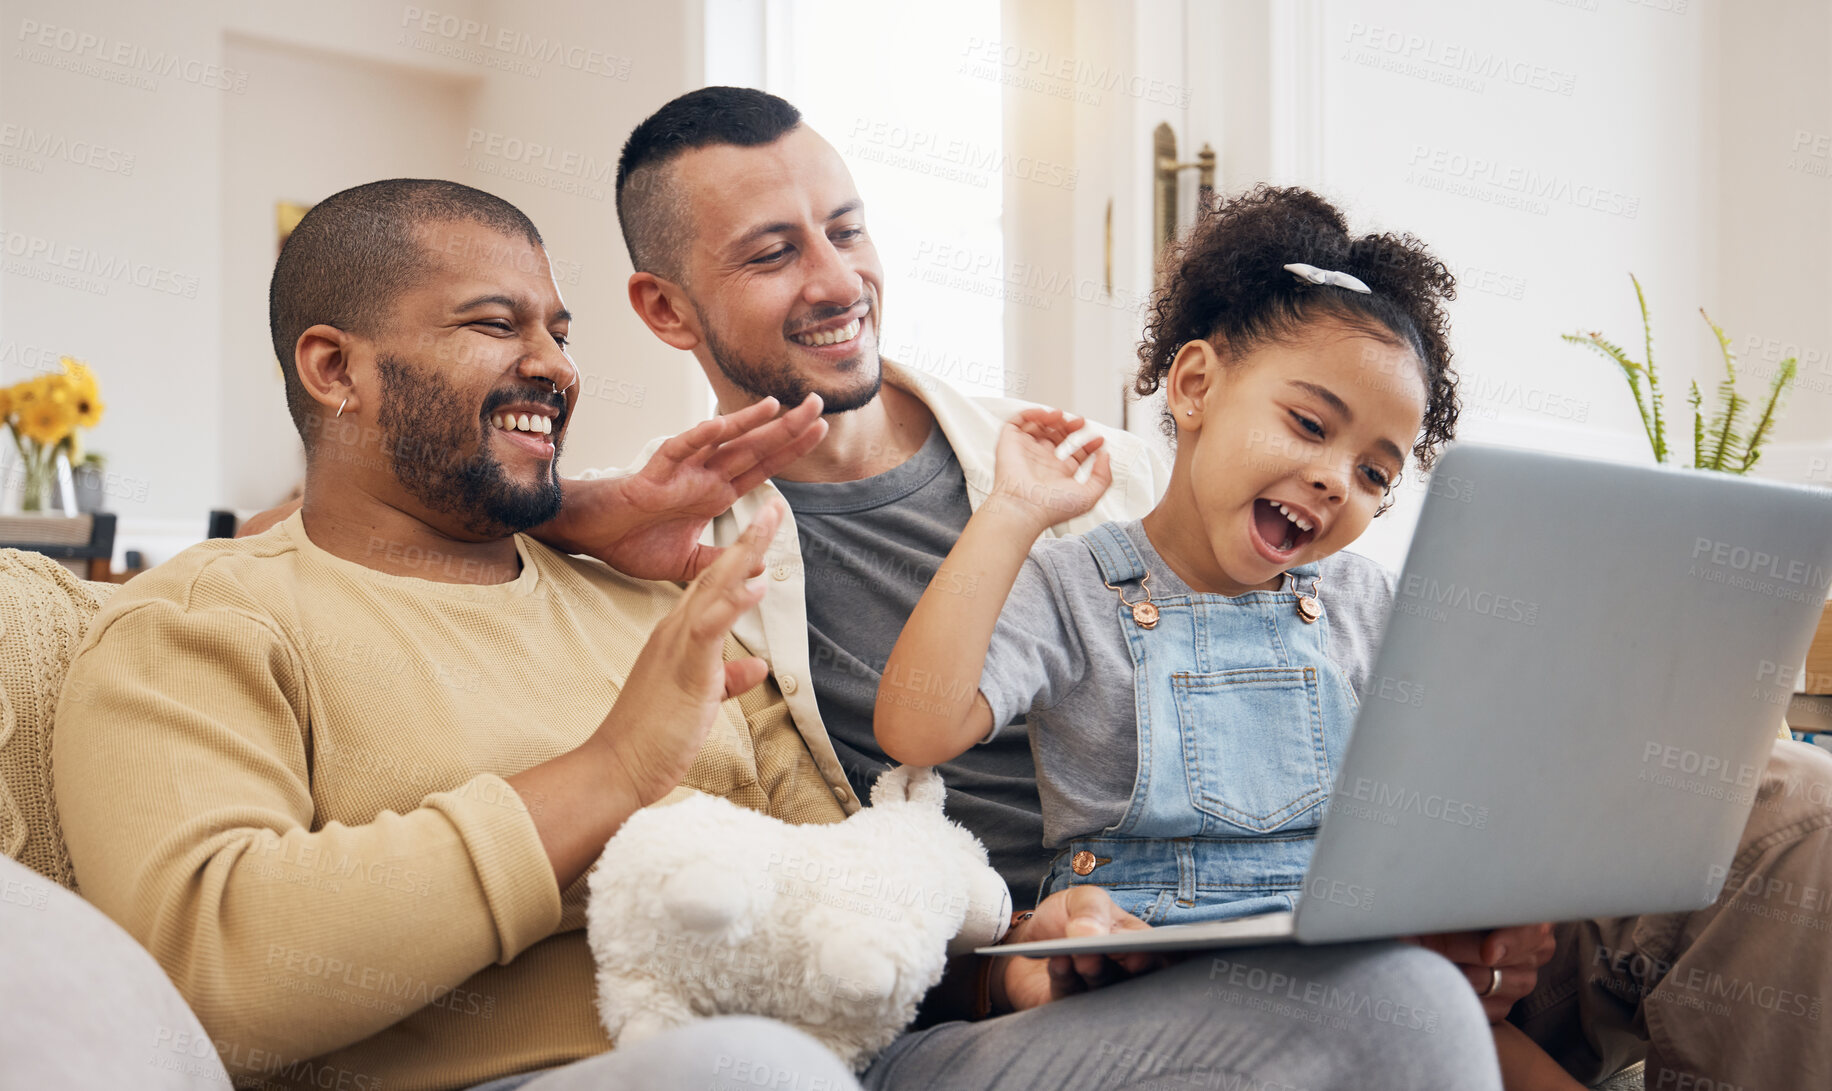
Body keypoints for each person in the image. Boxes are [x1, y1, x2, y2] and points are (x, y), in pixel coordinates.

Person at [58, 177, 1499, 1091]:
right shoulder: (203, 621)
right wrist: (614, 766)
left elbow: (854, 868)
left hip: (867, 1056)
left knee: (1399, 1013)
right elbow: (222, 972)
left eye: (559, 329)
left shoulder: (648, 601)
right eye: (499, 324)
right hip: (615, 1070)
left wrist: (1018, 931)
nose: (557, 364)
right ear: (336, 366)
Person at [538, 88, 1832, 1089]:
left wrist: (1495, 881)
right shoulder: (683, 557)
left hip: (1333, 911)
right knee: (1401, 1002)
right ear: (664, 305)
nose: (835, 277)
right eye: (773, 251)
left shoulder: (1133, 469)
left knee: (1788, 812)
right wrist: (568, 504)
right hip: (1048, 969)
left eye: (850, 226)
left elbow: (1383, 708)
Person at [875, 186, 1456, 927]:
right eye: (1310, 423)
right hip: (1131, 936)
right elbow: (916, 728)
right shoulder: (1073, 586)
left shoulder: (1364, 600)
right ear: (1195, 387)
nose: (1335, 480)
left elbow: (1436, 799)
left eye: (1375, 473)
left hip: (1321, 931)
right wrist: (1012, 513)